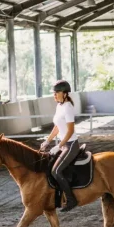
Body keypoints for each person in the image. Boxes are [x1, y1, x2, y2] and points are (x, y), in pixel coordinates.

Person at [40, 80, 79, 212]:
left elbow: (70, 131)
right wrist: (47, 141)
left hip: (71, 145)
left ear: (65, 93)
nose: (54, 95)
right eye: (54, 93)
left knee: (56, 171)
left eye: (57, 92)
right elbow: (57, 127)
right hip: (63, 144)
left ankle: (71, 200)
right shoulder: (59, 106)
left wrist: (59, 145)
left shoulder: (68, 107)